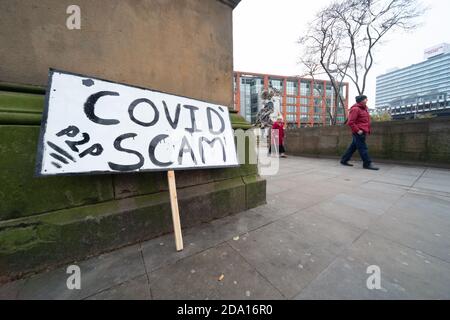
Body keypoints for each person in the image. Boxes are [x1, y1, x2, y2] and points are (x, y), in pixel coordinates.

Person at [340, 95, 379, 170]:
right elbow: (350, 122)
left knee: (353, 147)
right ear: (361, 100)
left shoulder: (364, 109)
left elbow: (365, 121)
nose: (367, 100)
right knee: (363, 148)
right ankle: (367, 163)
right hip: (359, 132)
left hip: (362, 131)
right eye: (365, 99)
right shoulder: (355, 109)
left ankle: (344, 160)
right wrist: (358, 130)